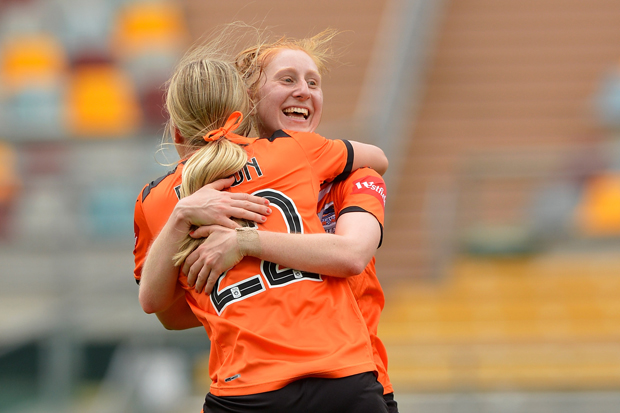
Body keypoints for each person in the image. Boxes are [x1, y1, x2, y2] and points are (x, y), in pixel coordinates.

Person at [133, 40, 389, 412]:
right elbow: (172, 311)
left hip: (307, 381)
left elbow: (352, 255)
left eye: (313, 82)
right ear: (248, 101)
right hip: (339, 376)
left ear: (176, 131)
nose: (303, 91)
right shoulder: (296, 152)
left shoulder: (352, 175)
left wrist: (242, 243)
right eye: (287, 79)